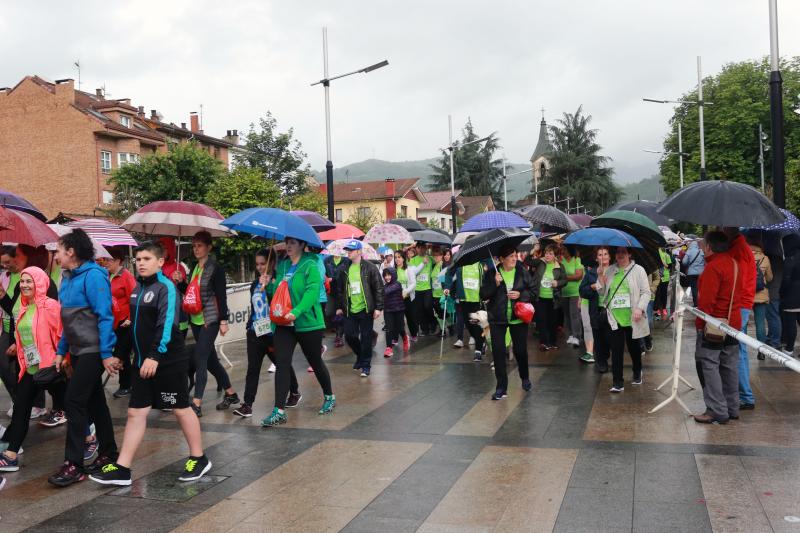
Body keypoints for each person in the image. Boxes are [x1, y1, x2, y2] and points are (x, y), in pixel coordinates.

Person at [88, 241, 211, 485]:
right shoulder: (137, 289)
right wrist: (120, 355)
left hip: (168, 361)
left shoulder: (166, 288)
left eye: (146, 259)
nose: (141, 263)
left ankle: (199, 458)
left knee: (180, 408)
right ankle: (123, 468)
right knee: (135, 412)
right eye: (139, 259)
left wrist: (155, 356)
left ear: (160, 262)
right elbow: (130, 326)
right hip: (143, 363)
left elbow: (166, 326)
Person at [48, 229, 119, 487]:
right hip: (77, 350)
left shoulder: (94, 277)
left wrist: (107, 354)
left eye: (58, 251)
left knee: (73, 401)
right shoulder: (65, 278)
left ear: (71, 252)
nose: (55, 256)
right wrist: (60, 351)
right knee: (95, 403)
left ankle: (74, 463)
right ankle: (109, 453)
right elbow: (67, 320)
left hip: (93, 351)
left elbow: (105, 316)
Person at [263, 238, 335, 427]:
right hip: (284, 324)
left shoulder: (310, 264)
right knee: (282, 363)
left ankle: (329, 396)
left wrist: (297, 311)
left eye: (293, 243)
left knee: (315, 361)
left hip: (307, 322)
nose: (288, 246)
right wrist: (268, 283)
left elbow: (312, 292)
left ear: (303, 245)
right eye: (287, 242)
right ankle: (279, 410)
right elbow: (278, 291)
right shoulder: (284, 265)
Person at [0, 267, 65, 472]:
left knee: (72, 406)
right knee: (21, 408)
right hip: (30, 369)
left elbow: (63, 335)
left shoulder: (51, 306)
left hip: (52, 369)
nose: (25, 285)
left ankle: (90, 438)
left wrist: (64, 360)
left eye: (30, 281)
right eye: (23, 281)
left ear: (40, 283)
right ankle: (11, 455)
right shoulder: (25, 308)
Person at [180, 231, 239, 417]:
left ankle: (196, 403)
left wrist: (223, 320)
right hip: (196, 320)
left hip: (210, 320)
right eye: (194, 245)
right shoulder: (195, 267)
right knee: (212, 361)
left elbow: (221, 296)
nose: (196, 249)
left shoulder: (216, 268)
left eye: (200, 245)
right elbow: (191, 293)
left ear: (209, 247)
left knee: (200, 359)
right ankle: (231, 394)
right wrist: (181, 282)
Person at [693, 231, 740, 424]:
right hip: (733, 323)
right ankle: (732, 407)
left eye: (704, 245)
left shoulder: (713, 267)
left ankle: (716, 410)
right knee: (729, 366)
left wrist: (699, 325)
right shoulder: (734, 263)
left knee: (708, 366)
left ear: (710, 247)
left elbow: (706, 304)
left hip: (713, 325)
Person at [480, 244, 533, 400]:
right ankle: (501, 388)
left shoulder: (522, 271)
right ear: (501, 259)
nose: (514, 258)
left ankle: (525, 377)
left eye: (515, 255)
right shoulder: (491, 273)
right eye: (510, 256)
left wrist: (521, 294)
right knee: (498, 352)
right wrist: (495, 284)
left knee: (520, 351)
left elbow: (533, 291)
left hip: (518, 318)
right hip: (497, 318)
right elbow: (483, 295)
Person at [599, 247, 650, 392]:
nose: (620, 255)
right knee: (616, 349)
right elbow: (602, 293)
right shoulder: (609, 270)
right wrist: (600, 279)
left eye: (623, 252)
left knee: (634, 348)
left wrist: (640, 308)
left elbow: (646, 292)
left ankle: (637, 370)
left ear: (629, 254)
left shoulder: (638, 270)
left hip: (633, 317)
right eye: (617, 252)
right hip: (614, 317)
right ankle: (617, 382)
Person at [335, 240, 384, 377]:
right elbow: (340, 290)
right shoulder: (345, 268)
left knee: (366, 337)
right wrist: (340, 306)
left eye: (351, 250)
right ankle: (361, 356)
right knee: (350, 336)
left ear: (359, 251)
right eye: (347, 250)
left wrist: (378, 307)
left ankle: (366, 365)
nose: (348, 252)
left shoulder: (370, 268)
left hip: (366, 309)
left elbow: (379, 288)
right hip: (350, 309)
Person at [722, 228, 757, 411]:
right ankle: (743, 394)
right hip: (741, 304)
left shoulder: (739, 249)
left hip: (739, 305)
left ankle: (745, 395)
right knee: (738, 349)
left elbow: (738, 282)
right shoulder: (739, 247)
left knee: (738, 350)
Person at [100, 250, 137, 399]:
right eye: (106, 259)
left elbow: (133, 298)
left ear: (118, 261)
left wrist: (130, 317)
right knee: (118, 353)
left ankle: (126, 385)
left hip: (125, 322)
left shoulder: (126, 276)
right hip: (111, 321)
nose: (107, 262)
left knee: (122, 354)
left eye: (110, 259)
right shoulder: (106, 276)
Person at [444, 258, 488, 361]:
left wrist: (488, 292)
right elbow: (449, 273)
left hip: (478, 299)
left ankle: (478, 350)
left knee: (477, 324)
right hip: (463, 298)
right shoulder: (460, 259)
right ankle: (482, 341)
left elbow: (491, 275)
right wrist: (447, 287)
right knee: (469, 324)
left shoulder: (482, 259)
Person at [530, 244, 566, 351]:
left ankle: (552, 342)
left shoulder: (560, 266)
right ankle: (543, 342)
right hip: (540, 297)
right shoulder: (540, 263)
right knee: (542, 320)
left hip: (553, 299)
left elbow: (565, 280)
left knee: (553, 321)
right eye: (546, 253)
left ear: (555, 255)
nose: (547, 255)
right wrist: (533, 251)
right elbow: (527, 261)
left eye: (550, 253)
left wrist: (558, 283)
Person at [747, 236, 773, 359]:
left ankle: (742, 348)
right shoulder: (765, 258)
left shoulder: (744, 256)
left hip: (746, 295)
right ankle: (761, 351)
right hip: (761, 295)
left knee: (744, 323)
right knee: (760, 324)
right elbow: (769, 278)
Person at [408, 243, 436, 335]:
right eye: (419, 248)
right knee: (420, 309)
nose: (420, 249)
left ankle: (433, 323)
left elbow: (438, 263)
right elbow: (413, 273)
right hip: (417, 289)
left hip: (427, 288)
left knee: (428, 306)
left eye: (422, 247)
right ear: (416, 249)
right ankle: (425, 329)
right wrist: (422, 263)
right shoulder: (413, 260)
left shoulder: (430, 258)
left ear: (425, 248)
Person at [779, 234, 800, 357]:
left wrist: (782, 292)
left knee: (791, 323)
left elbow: (786, 279)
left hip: (792, 295)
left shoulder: (790, 259)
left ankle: (789, 348)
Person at [560, 245, 584, 348]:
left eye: (564, 249)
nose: (562, 251)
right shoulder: (561, 261)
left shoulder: (576, 260)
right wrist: (570, 277)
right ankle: (570, 334)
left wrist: (565, 278)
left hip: (575, 292)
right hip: (564, 292)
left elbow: (578, 276)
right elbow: (558, 275)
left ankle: (577, 336)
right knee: (566, 315)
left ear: (569, 250)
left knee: (574, 315)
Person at [394, 250, 417, 349]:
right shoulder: (392, 270)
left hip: (407, 298)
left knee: (410, 317)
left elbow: (413, 283)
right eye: (396, 257)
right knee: (397, 319)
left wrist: (406, 291)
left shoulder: (409, 269)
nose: (397, 259)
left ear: (403, 258)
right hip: (396, 299)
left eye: (399, 257)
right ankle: (396, 337)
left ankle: (413, 334)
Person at [382, 267, 407, 357]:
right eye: (385, 276)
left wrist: (378, 290)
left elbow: (387, 291)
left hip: (398, 309)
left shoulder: (397, 284)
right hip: (388, 310)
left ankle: (404, 338)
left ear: (393, 275)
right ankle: (388, 348)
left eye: (389, 275)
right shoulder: (384, 286)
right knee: (389, 329)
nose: (387, 277)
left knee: (400, 328)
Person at [323, 251, 345, 347]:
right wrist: (326, 278)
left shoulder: (346, 260)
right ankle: (338, 333)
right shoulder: (327, 260)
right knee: (331, 313)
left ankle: (339, 336)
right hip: (331, 291)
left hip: (343, 291)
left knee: (340, 312)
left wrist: (336, 278)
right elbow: (323, 273)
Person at [681, 239, 705, 304]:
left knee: (694, 288)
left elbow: (684, 262)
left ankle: (696, 303)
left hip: (691, 273)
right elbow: (705, 261)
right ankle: (701, 302)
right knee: (701, 288)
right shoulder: (701, 251)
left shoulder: (689, 251)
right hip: (701, 273)